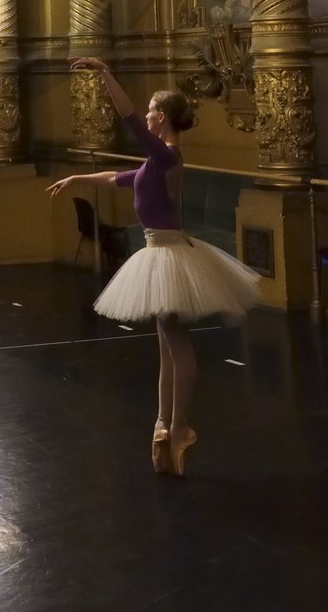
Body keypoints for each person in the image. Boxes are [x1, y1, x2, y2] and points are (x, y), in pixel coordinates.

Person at [48, 57, 259, 477]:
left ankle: (180, 426)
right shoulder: (154, 162)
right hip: (159, 249)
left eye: (150, 110)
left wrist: (107, 73)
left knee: (176, 344)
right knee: (166, 345)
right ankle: (164, 423)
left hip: (168, 253)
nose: (145, 114)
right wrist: (76, 180)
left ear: (160, 117)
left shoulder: (165, 154)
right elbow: (117, 178)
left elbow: (130, 120)